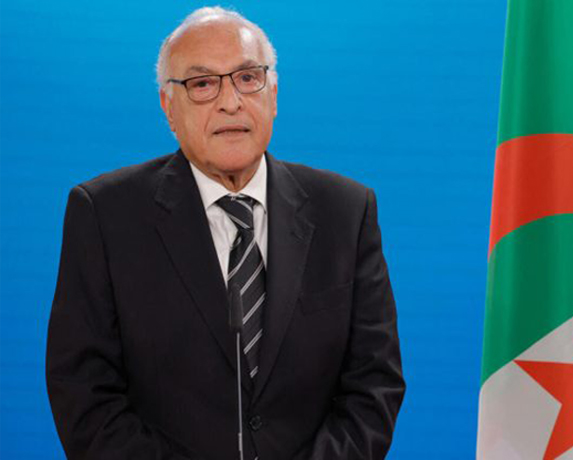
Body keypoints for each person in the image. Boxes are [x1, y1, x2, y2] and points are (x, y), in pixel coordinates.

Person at [45, 7, 405, 459]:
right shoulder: (104, 215)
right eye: (202, 84)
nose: (231, 102)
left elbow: (374, 385)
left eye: (248, 78)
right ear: (168, 107)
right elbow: (84, 393)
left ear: (274, 95)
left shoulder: (346, 212)